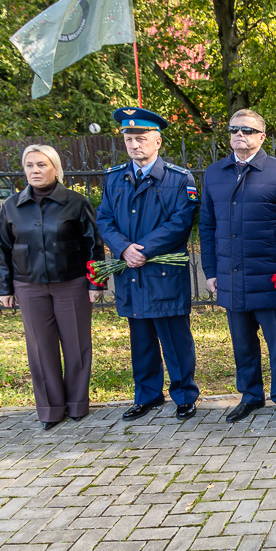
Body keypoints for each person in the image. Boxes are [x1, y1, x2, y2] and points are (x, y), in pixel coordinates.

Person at [199, 109, 276, 424]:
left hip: (271, 276)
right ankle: (250, 396)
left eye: (247, 130)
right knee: (242, 344)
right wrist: (210, 271)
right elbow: (206, 227)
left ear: (261, 136)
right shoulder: (214, 173)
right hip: (231, 276)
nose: (239, 135)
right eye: (234, 129)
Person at [96, 107, 201, 422]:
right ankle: (147, 396)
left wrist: (143, 249)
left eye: (140, 138)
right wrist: (123, 248)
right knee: (140, 340)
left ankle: (184, 396)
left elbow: (181, 222)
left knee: (174, 340)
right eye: (129, 138)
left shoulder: (179, 178)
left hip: (162, 272)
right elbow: (105, 218)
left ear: (157, 141)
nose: (134, 144)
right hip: (130, 273)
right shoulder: (115, 178)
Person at [0, 145, 105, 429]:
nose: (35, 170)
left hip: (71, 284)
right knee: (41, 350)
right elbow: (4, 249)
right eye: (30, 165)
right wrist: (5, 288)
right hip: (29, 286)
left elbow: (93, 245)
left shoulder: (76, 202)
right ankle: (50, 410)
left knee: (77, 345)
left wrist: (96, 283)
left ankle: (78, 405)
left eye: (41, 165)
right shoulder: (11, 206)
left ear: (55, 168)